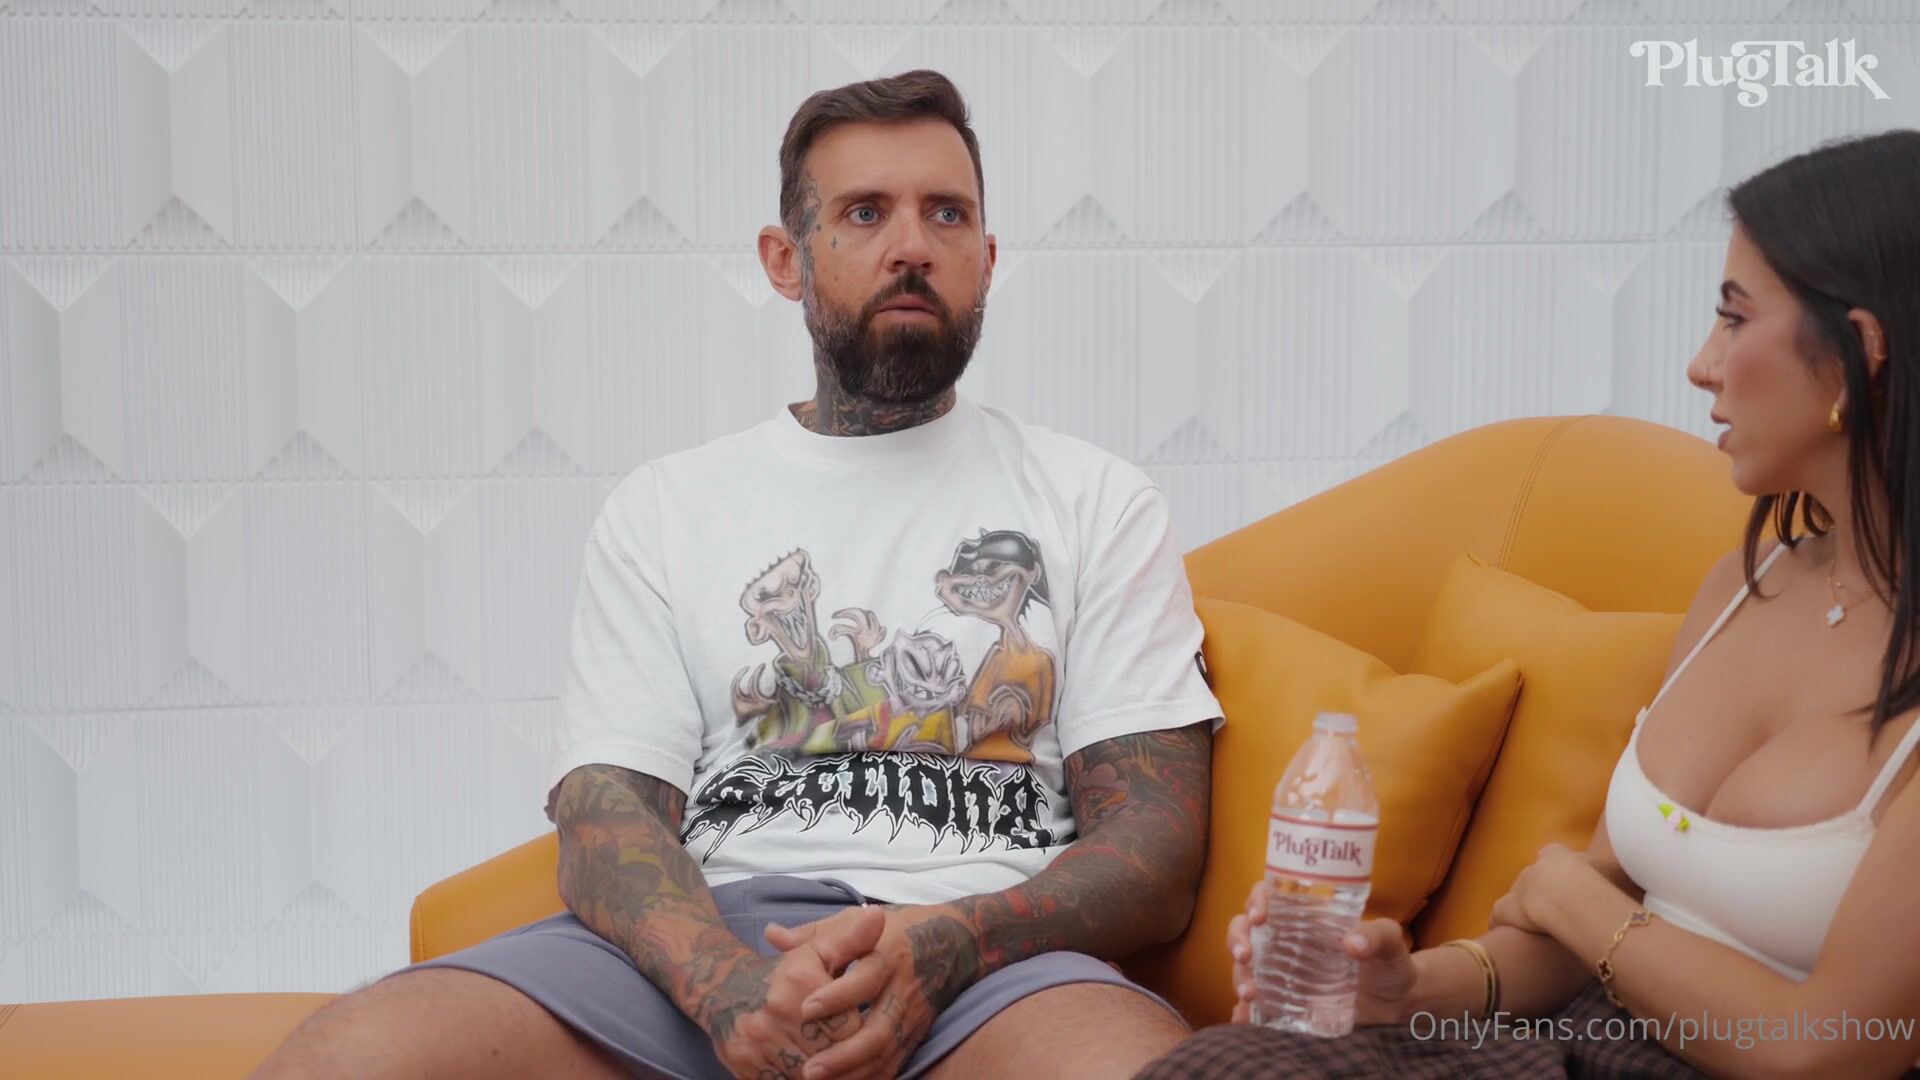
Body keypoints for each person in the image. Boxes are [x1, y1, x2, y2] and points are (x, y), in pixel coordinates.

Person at [254, 69, 1223, 1080]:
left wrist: (951, 942)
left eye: (947, 213)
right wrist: (727, 988)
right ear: (785, 260)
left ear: (987, 256)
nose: (912, 245)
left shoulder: (1097, 500)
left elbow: (1156, 847)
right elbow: (605, 810)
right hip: (704, 948)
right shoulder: (667, 506)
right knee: (346, 1058)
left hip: (991, 960)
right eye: (864, 213)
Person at [1141, 130, 1920, 1079]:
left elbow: (1823, 1049)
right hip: (1575, 1043)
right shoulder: (1741, 588)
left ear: (1857, 354)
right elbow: (1574, 924)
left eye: (1734, 318)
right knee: (1225, 1064)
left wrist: (1584, 907)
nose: (1702, 365)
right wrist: (1402, 988)